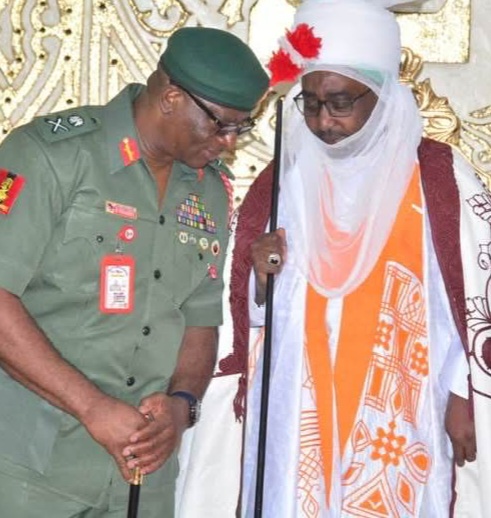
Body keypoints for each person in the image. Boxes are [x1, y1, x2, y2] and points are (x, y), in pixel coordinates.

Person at [223, 0, 489, 516]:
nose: (324, 121)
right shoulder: (281, 182)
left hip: (402, 404)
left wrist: (465, 392)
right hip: (300, 401)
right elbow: (244, 316)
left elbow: (471, 297)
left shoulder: (438, 177)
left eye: (341, 102)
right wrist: (258, 277)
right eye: (311, 103)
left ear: (384, 94)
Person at [0, 26, 268, 517]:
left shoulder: (209, 189)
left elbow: (199, 318)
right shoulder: (50, 156)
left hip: (141, 479)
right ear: (170, 98)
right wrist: (92, 407)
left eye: (241, 128)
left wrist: (183, 404)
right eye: (221, 125)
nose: (230, 143)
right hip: (31, 469)